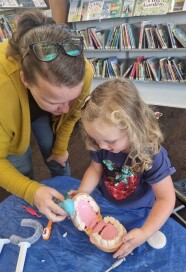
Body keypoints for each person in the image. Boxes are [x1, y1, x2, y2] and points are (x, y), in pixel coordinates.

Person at [0, 9, 93, 222]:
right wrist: (31, 190)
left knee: (57, 156)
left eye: (71, 99)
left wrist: (60, 149)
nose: (67, 109)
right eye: (55, 101)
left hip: (32, 108)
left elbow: (70, 117)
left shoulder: (83, 71)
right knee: (20, 168)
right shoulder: (2, 89)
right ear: (25, 80)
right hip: (7, 111)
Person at [70, 78, 176, 258]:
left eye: (110, 141)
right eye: (96, 139)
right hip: (107, 203)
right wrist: (82, 196)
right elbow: (95, 170)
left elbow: (166, 199)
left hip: (141, 212)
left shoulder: (152, 155)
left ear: (133, 128)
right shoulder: (102, 145)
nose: (101, 146)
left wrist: (145, 233)